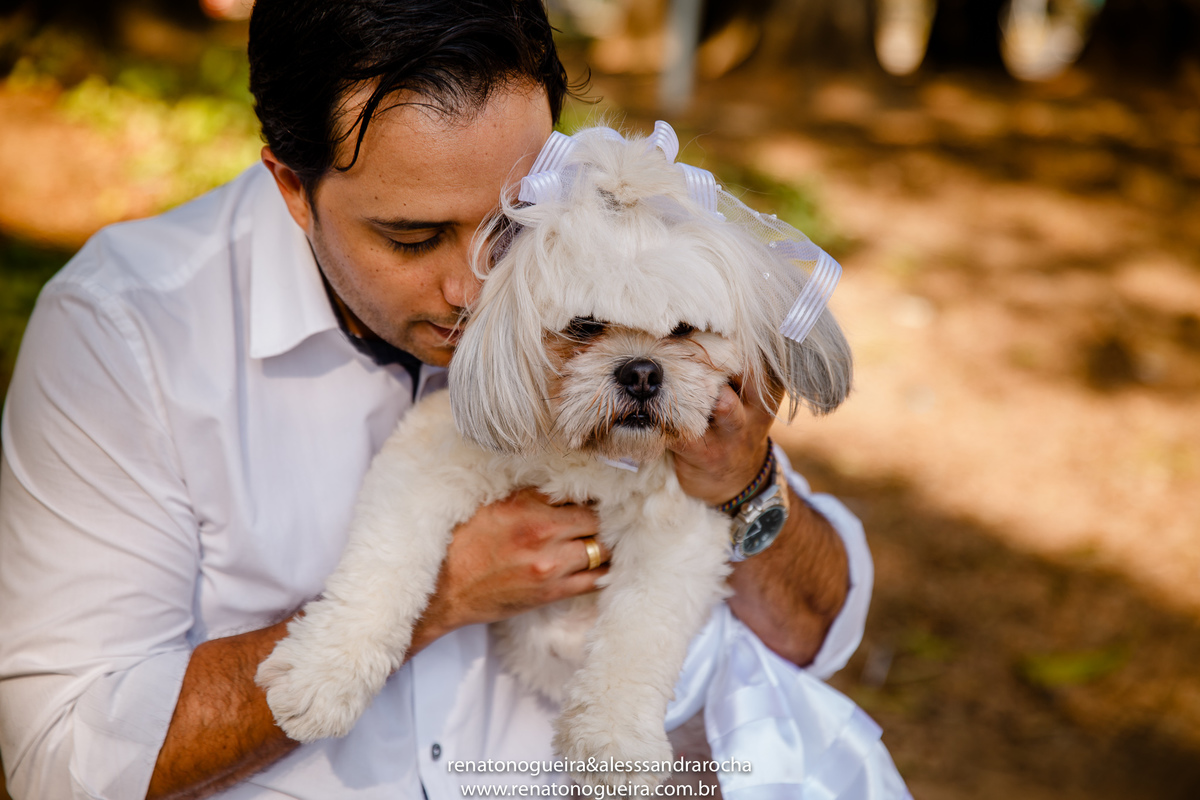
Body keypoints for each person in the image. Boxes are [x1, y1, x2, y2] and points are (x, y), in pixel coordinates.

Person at [0, 1, 875, 798]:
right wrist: (436, 599)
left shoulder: (619, 272)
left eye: (513, 220)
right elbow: (59, 759)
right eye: (412, 237)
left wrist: (745, 485)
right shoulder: (130, 333)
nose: (475, 286)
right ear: (292, 187)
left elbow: (814, 637)